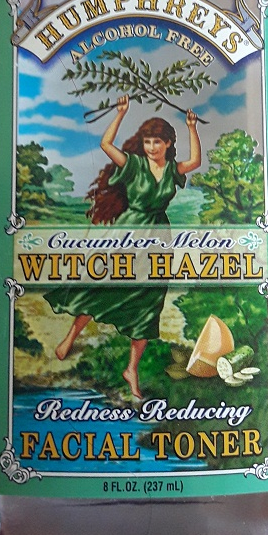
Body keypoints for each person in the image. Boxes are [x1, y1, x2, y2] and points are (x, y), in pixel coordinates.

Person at [45, 96, 201, 398]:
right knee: (101, 282)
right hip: (127, 232)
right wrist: (120, 113)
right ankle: (70, 337)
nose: (151, 147)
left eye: (157, 142)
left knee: (148, 300)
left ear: (168, 143)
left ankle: (131, 369)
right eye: (147, 142)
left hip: (158, 237)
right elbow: (106, 145)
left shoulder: (172, 170)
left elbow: (195, 162)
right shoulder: (134, 164)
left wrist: (191, 127)